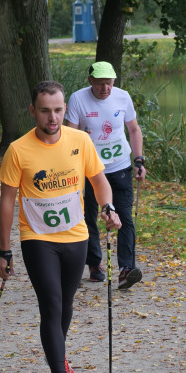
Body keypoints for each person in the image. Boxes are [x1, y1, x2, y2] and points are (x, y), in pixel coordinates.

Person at [0, 80, 122, 373]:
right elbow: (7, 202)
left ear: (65, 109)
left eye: (58, 110)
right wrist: (4, 250)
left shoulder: (80, 140)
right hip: (37, 239)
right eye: (45, 111)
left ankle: (59, 354)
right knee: (51, 305)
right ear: (32, 111)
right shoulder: (18, 150)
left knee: (65, 306)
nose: (52, 117)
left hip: (76, 236)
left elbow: (99, 181)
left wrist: (108, 207)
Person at [64, 61, 146, 289]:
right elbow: (69, 134)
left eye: (109, 84)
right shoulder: (78, 99)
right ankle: (94, 264)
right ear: (90, 81)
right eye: (100, 84)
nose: (105, 89)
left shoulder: (122, 97)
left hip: (119, 167)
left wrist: (139, 160)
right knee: (90, 216)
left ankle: (126, 269)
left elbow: (134, 129)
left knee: (124, 217)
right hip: (91, 170)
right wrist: (81, 135)